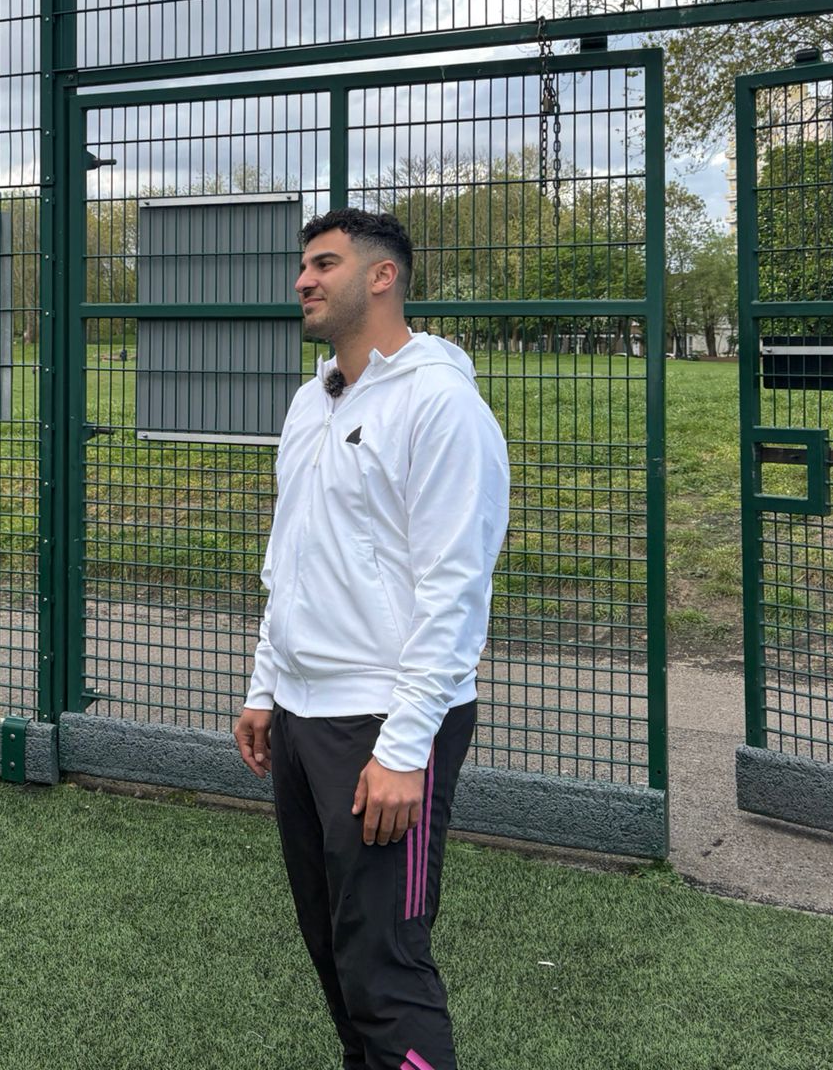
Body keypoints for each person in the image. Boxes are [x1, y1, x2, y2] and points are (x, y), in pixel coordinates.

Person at [234, 209, 510, 1070]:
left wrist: (403, 749)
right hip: (303, 721)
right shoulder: (310, 401)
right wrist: (264, 685)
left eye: (324, 264)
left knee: (385, 966)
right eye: (303, 266)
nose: (303, 281)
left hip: (387, 726)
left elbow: (454, 592)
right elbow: (294, 554)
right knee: (335, 955)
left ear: (382, 277)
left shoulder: (442, 406)